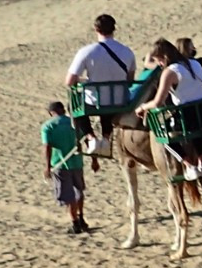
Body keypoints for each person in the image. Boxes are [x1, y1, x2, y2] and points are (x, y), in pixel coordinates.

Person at [142, 38, 202, 182]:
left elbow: (158, 102)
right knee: (196, 123)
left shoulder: (170, 72)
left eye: (159, 61)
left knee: (161, 132)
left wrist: (142, 107)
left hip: (187, 118)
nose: (160, 65)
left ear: (164, 57)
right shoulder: (194, 63)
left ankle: (189, 165)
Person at [63, 14, 137, 155]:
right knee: (108, 101)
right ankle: (106, 137)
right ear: (114, 29)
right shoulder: (127, 51)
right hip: (119, 100)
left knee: (74, 104)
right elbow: (129, 80)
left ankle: (91, 138)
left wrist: (83, 81)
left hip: (96, 100)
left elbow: (69, 81)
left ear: (96, 29)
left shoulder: (86, 51)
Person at [41, 100, 88, 235]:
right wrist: (94, 160)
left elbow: (47, 147)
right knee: (79, 191)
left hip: (60, 163)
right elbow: (86, 139)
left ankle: (75, 223)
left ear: (51, 113)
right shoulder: (75, 123)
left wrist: (47, 166)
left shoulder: (48, 126)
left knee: (68, 195)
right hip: (77, 162)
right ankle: (81, 217)